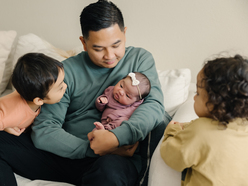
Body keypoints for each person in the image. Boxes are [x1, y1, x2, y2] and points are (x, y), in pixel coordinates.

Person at [0, 1, 166, 185]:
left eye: (116, 45)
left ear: (124, 34)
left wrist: (116, 138)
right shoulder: (65, 72)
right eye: (98, 48)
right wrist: (94, 148)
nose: (109, 56)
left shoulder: (139, 59)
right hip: (65, 156)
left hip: (112, 161)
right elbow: (45, 129)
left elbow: (154, 105)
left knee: (109, 173)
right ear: (84, 43)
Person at [160, 54, 248, 186]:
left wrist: (172, 129)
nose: (194, 98)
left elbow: (171, 157)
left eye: (198, 93)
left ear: (215, 102)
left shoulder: (199, 131)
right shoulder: (243, 127)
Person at [0, 52, 66, 136]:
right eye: (60, 87)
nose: (65, 86)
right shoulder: (13, 115)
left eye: (63, 81)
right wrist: (5, 126)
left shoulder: (31, 91)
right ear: (39, 100)